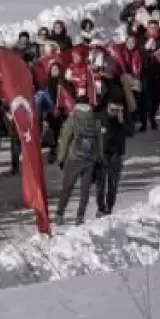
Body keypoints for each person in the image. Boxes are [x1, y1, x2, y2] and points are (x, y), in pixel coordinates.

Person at [55, 91, 102, 226]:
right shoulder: (94, 118)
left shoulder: (74, 118)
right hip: (89, 159)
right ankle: (80, 216)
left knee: (67, 188)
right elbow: (99, 139)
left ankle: (59, 214)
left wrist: (61, 158)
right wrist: (99, 156)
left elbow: (65, 139)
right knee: (85, 190)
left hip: (74, 158)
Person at [96, 100, 133, 216]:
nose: (114, 113)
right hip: (102, 155)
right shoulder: (100, 118)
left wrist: (122, 121)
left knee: (113, 183)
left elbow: (131, 133)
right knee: (100, 184)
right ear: (107, 108)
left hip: (116, 155)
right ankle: (101, 207)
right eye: (112, 110)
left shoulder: (122, 120)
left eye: (117, 110)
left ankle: (109, 206)